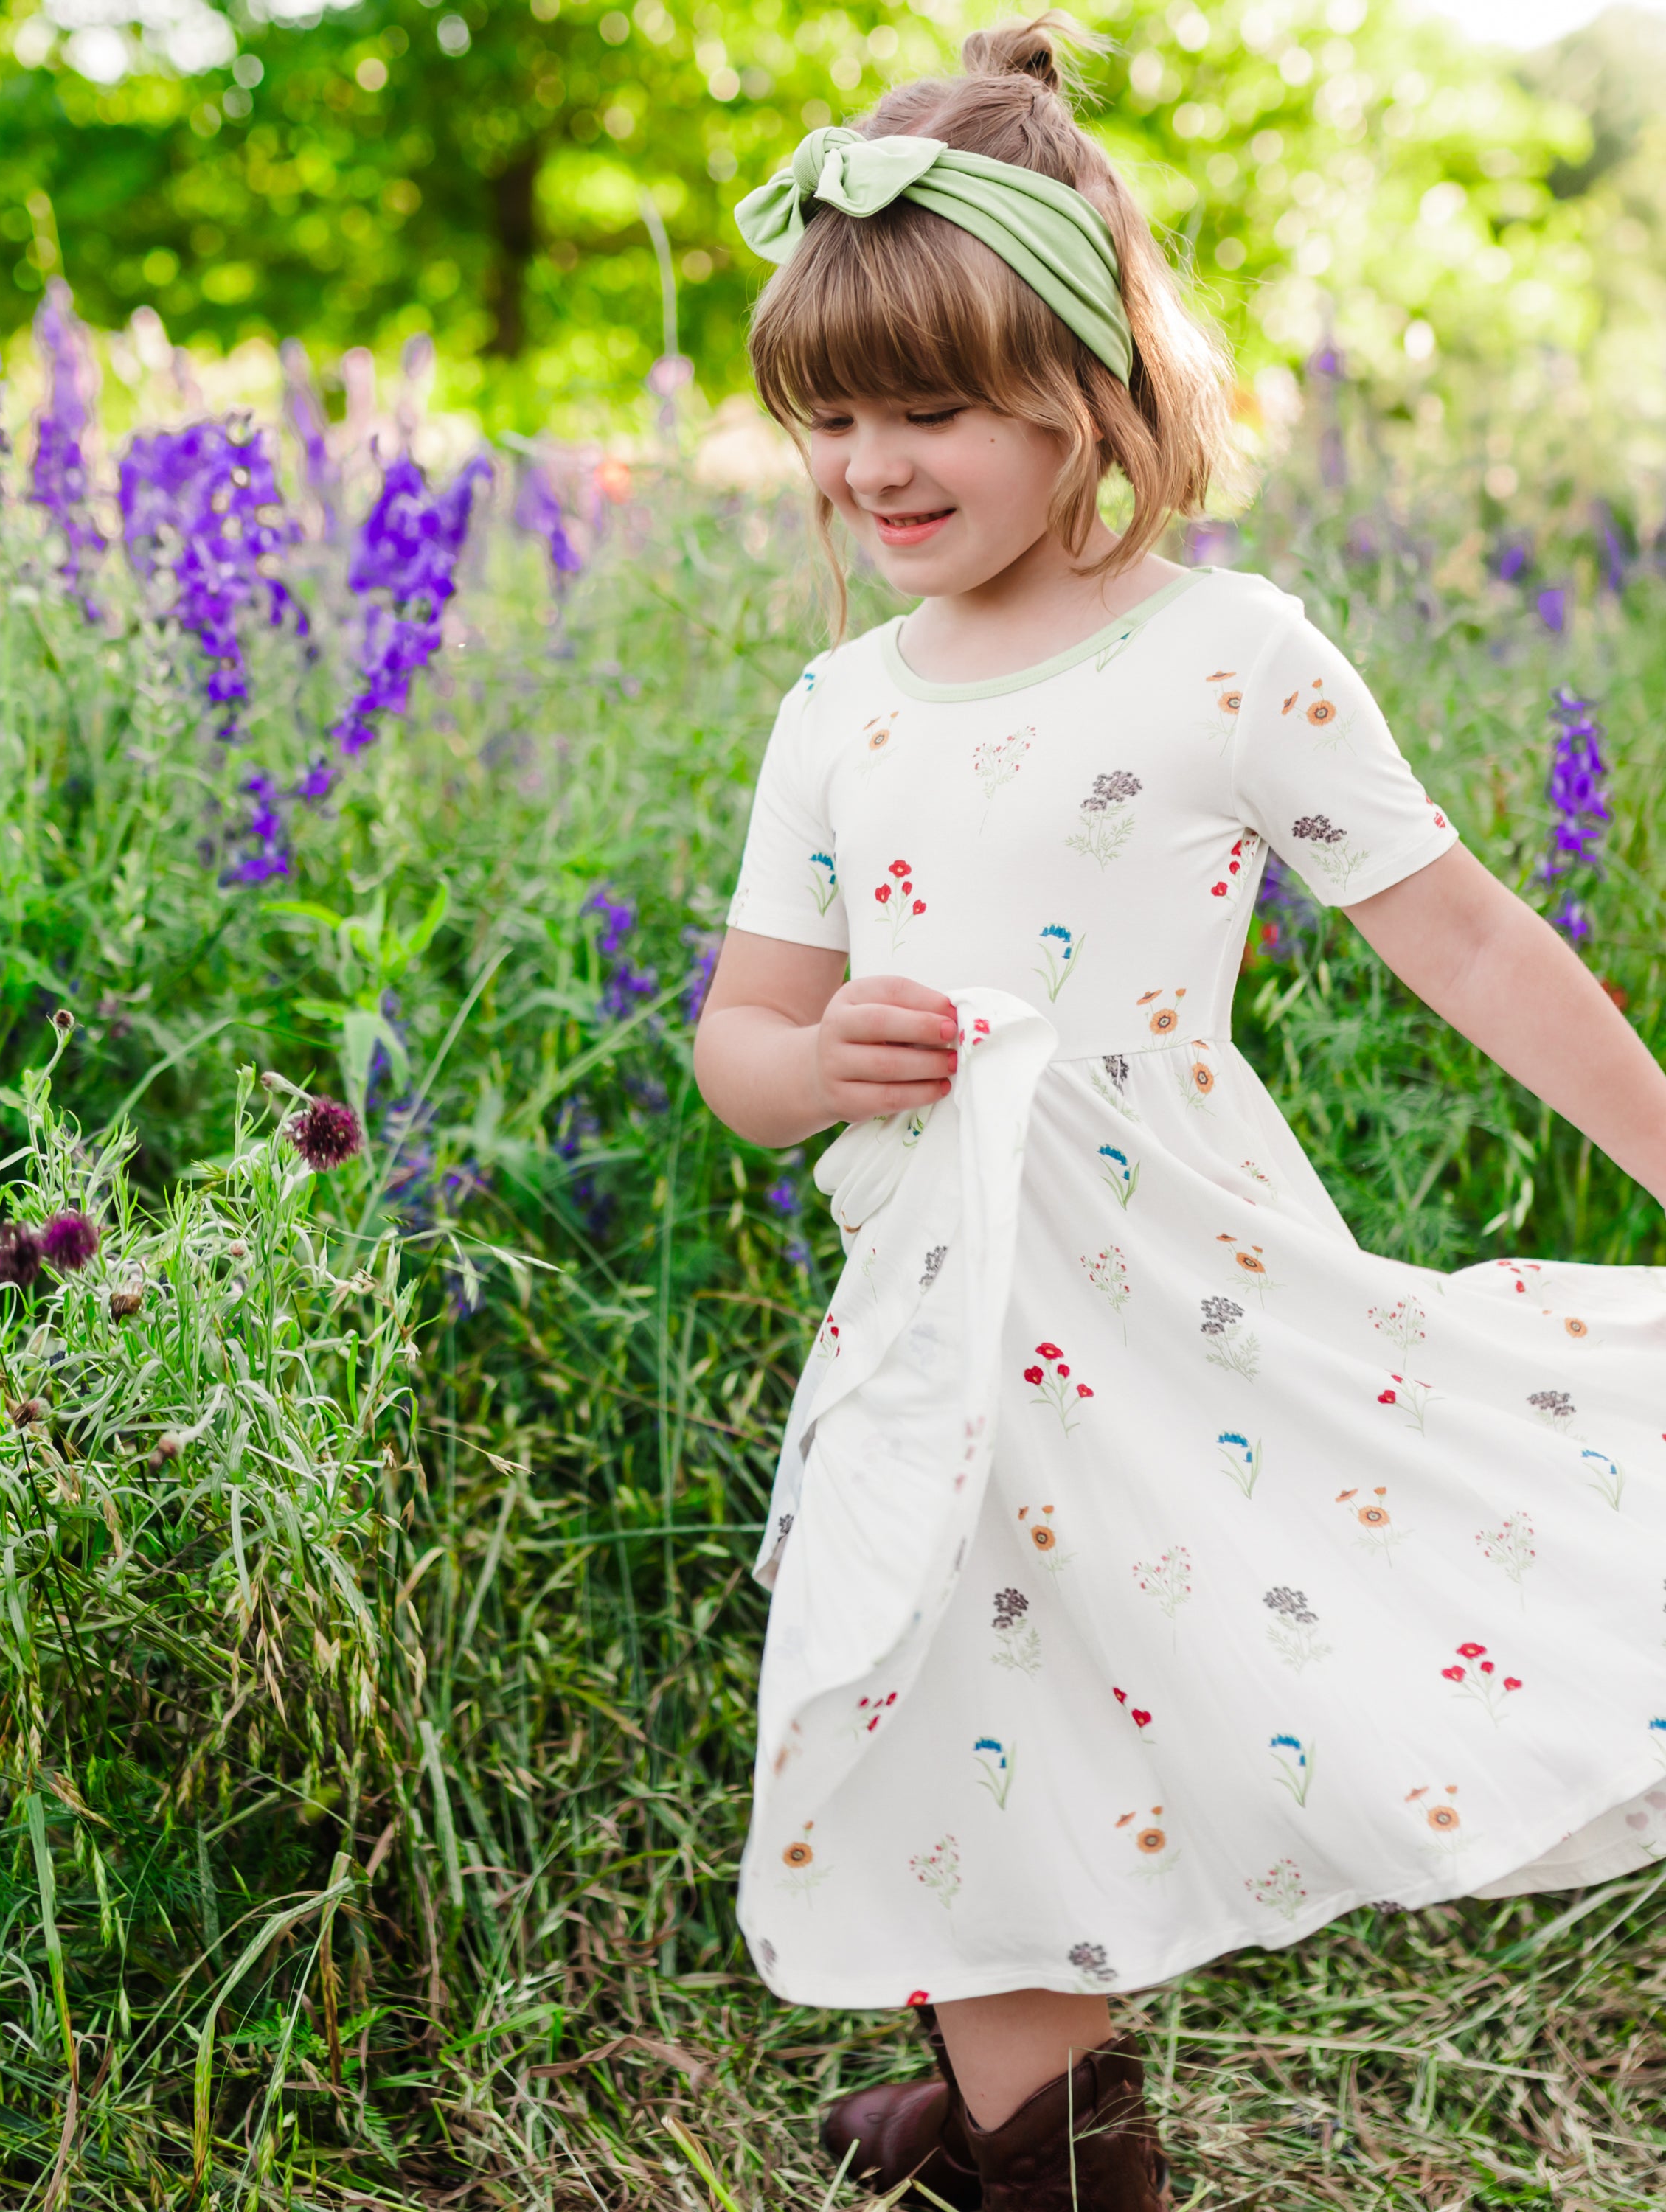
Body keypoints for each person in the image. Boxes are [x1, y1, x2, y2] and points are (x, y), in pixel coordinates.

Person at [692, 18, 1666, 2208]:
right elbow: (741, 1045)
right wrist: (814, 1064)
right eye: (831, 421)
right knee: (932, 1681)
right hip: (935, 1303)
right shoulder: (835, 713)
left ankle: (1040, 2160)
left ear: (1084, 393)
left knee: (1043, 1702)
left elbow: (1477, 944)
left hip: (1170, 1296)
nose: (874, 467)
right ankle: (1012, 2115)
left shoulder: (1227, 658)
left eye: (930, 408)